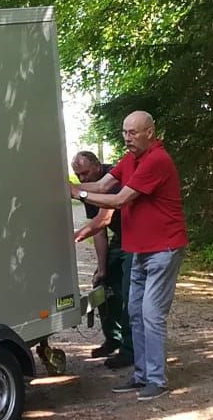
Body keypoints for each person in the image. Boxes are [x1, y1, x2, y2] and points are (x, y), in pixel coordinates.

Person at [69, 111, 187, 400]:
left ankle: (157, 380)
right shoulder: (129, 160)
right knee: (135, 311)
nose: (127, 138)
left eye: (133, 132)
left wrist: (77, 194)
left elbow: (120, 199)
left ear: (150, 132)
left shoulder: (157, 160)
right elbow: (101, 186)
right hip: (140, 250)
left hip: (163, 249)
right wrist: (66, 187)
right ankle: (142, 375)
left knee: (151, 314)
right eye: (124, 132)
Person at [70, 150, 134, 369]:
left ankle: (129, 349)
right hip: (119, 238)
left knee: (130, 291)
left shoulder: (112, 178)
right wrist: (102, 267)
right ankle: (112, 338)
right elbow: (99, 233)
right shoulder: (88, 188)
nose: (82, 178)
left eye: (85, 173)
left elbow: (103, 219)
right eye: (78, 175)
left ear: (97, 166)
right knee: (102, 284)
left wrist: (74, 237)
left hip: (135, 237)